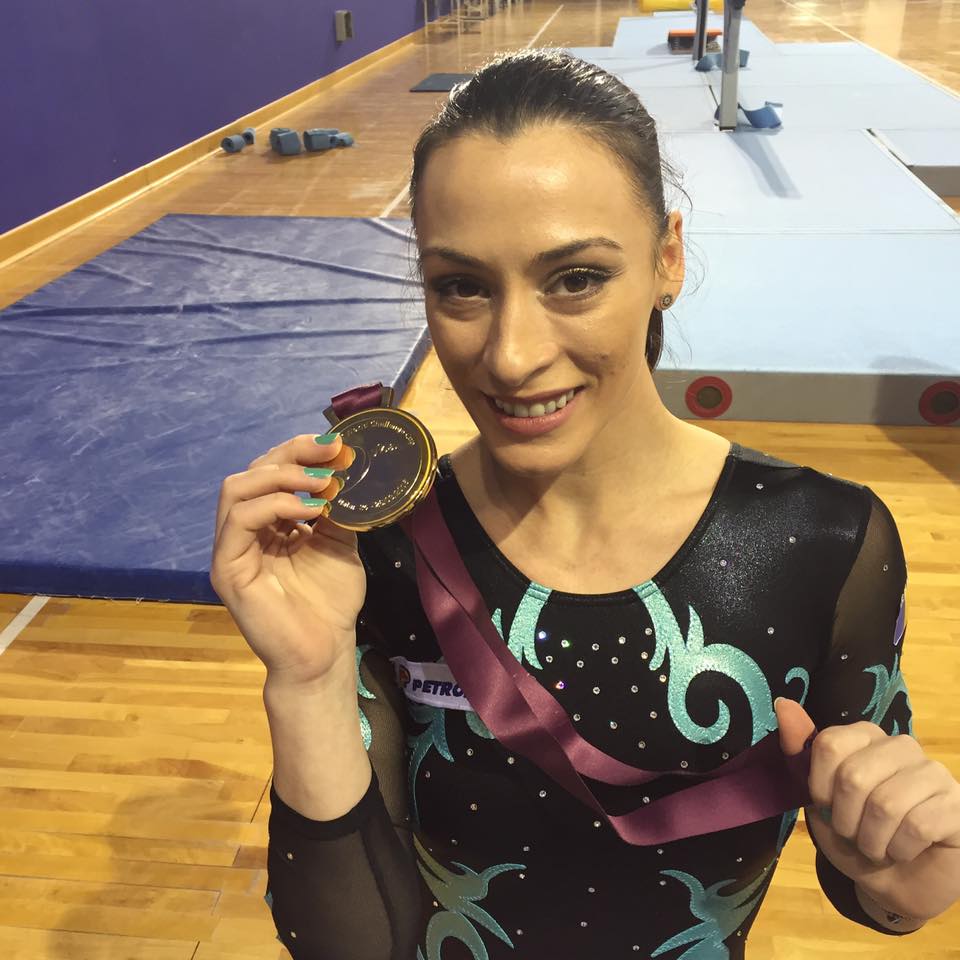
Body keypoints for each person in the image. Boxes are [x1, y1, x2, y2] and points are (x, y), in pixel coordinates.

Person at [211, 49, 933, 959]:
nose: (512, 355)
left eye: (576, 277)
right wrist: (307, 682)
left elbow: (867, 862)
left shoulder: (826, 542)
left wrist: (902, 888)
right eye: (462, 286)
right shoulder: (382, 551)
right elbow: (351, 946)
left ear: (667, 258)